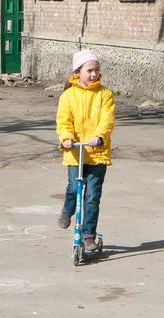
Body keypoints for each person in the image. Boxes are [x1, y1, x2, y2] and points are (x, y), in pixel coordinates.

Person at [56, 49, 116, 255]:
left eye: (97, 70)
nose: (93, 74)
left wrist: (98, 136)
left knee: (92, 195)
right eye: (89, 70)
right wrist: (66, 139)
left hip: (97, 153)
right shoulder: (68, 96)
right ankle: (67, 209)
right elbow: (63, 120)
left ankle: (88, 234)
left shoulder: (105, 95)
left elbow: (107, 121)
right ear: (78, 72)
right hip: (75, 153)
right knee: (74, 188)